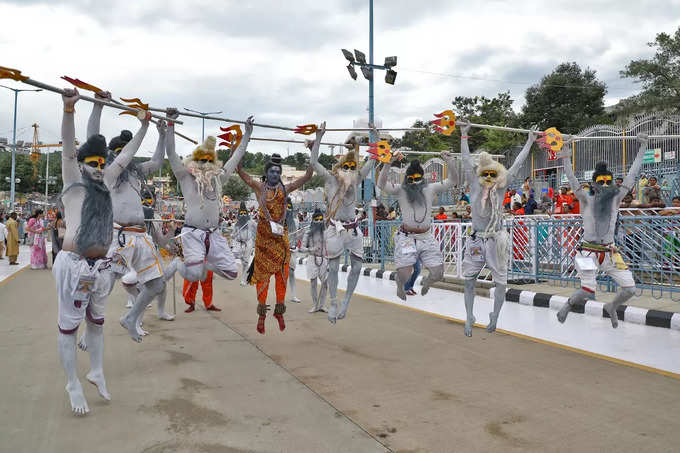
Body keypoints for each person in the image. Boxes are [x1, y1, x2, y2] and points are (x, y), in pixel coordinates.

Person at [84, 91, 169, 342]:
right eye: (120, 150)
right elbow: (92, 139)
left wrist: (163, 133)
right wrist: (98, 106)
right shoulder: (107, 172)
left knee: (157, 284)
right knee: (103, 288)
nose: (125, 154)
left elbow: (156, 160)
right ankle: (89, 333)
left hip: (141, 236)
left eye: (126, 151)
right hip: (117, 234)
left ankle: (131, 318)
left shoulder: (136, 171)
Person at [54, 88, 119, 415]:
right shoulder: (73, 182)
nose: (98, 166)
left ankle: (96, 370)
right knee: (70, 326)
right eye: (92, 162)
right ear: (82, 164)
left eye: (102, 162)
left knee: (97, 323)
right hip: (73, 265)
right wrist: (69, 111)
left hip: (101, 267)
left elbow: (113, 149)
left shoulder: (105, 185)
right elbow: (69, 151)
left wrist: (99, 106)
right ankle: (72, 382)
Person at [556, 134, 648, 328]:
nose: (606, 184)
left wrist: (643, 147)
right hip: (587, 252)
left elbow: (632, 174)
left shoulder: (616, 198)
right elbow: (571, 178)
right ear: (594, 182)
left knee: (630, 289)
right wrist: (565, 152)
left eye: (609, 181)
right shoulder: (584, 199)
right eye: (602, 181)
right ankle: (569, 304)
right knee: (588, 292)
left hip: (610, 252)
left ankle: (612, 307)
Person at [237, 126, 321, 334]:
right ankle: (262, 315)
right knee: (263, 278)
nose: (275, 173)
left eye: (278, 171)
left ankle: (279, 311)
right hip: (264, 241)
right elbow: (239, 171)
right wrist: (238, 144)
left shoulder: (286, 189)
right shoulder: (259, 188)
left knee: (283, 275)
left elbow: (309, 175)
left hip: (280, 239)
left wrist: (315, 146)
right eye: (272, 171)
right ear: (266, 174)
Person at [460, 124, 537, 336]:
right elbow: (466, 160)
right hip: (476, 239)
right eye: (486, 173)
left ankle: (495, 315)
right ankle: (469, 315)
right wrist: (464, 134)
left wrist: (530, 141)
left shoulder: (501, 187)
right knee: (469, 281)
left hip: (496, 239)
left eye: (493, 174)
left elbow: (518, 165)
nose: (489, 177)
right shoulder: (475, 184)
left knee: (500, 282)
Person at [163, 110, 254, 287]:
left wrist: (247, 135)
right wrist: (170, 124)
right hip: (192, 234)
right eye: (201, 161)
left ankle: (204, 261)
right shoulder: (185, 178)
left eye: (208, 161)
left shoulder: (218, 179)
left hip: (213, 234)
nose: (205, 164)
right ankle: (179, 263)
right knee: (195, 275)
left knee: (232, 273)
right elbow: (171, 153)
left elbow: (236, 158)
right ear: (195, 162)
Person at [310, 130, 374, 324]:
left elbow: (372, 160)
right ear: (339, 168)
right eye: (345, 166)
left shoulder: (356, 181)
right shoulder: (331, 180)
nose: (348, 170)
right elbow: (314, 164)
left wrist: (375, 138)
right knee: (334, 267)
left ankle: (346, 300)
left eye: (352, 167)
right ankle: (334, 301)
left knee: (356, 267)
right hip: (334, 229)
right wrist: (318, 138)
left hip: (353, 230)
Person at [377, 152, 457, 300]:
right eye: (411, 179)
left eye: (417, 179)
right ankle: (400, 285)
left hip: (426, 237)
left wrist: (449, 161)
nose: (414, 182)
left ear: (423, 178)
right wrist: (388, 162)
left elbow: (453, 180)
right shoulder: (400, 190)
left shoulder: (430, 188)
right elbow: (381, 184)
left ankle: (427, 281)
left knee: (438, 273)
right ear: (407, 178)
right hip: (407, 238)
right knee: (405, 274)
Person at [299, 208, 329, 312]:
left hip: (324, 260)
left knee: (325, 284)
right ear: (313, 220)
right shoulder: (308, 232)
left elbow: (330, 246)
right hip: (312, 259)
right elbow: (301, 248)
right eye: (317, 219)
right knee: (313, 283)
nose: (319, 221)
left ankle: (322, 305)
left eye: (321, 219)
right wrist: (311, 249)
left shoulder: (326, 232)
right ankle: (315, 305)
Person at [231, 202, 257, 286]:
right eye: (241, 213)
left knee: (246, 262)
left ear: (246, 213)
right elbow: (233, 234)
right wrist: (233, 235)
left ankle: (243, 279)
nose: (243, 215)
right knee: (237, 257)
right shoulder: (236, 224)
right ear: (239, 214)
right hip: (239, 244)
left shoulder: (251, 222)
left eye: (244, 213)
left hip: (248, 243)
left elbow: (258, 229)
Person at [285, 197, 301, 303]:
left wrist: (299, 236)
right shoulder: (279, 221)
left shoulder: (296, 221)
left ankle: (293, 295)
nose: (288, 210)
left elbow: (296, 236)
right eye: (286, 208)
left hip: (292, 250)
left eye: (289, 208)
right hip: (281, 250)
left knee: (291, 272)